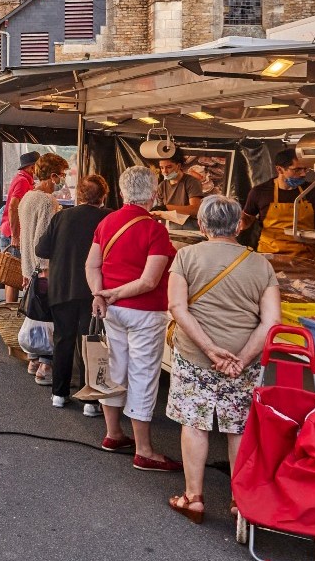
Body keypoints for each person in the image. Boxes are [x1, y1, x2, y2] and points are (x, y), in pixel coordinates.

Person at [165, 195, 281, 523]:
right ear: (239, 225)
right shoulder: (261, 264)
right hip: (242, 360)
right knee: (239, 427)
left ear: (202, 225)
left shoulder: (186, 256)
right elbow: (272, 322)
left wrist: (208, 348)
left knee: (195, 423)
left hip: (195, 356)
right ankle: (239, 500)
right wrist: (242, 358)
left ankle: (193, 498)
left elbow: (178, 307)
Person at [85, 164, 180, 472]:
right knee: (143, 374)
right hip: (145, 311)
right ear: (153, 195)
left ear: (123, 192)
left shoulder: (108, 221)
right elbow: (150, 281)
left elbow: (92, 266)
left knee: (114, 369)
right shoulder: (155, 229)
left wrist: (102, 294)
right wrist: (115, 294)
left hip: (111, 310)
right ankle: (144, 450)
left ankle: (113, 434)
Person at [37, 172, 111, 410]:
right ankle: (91, 400)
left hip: (61, 288)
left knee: (63, 340)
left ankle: (59, 394)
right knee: (92, 342)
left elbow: (42, 249)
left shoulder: (62, 217)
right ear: (104, 195)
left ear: (79, 194)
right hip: (94, 291)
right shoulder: (109, 218)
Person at [17, 152, 69, 382]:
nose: (63, 180)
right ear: (53, 175)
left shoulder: (28, 196)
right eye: (63, 175)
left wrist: (29, 269)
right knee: (48, 317)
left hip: (28, 266)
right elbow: (43, 240)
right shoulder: (48, 202)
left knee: (35, 314)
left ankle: (33, 360)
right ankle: (45, 367)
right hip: (43, 269)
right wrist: (46, 269)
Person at [243, 147, 315, 259]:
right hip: (269, 257)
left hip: (305, 258)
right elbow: (247, 218)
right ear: (279, 170)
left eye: (305, 169)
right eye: (297, 170)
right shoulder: (260, 192)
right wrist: (240, 222)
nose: (303, 174)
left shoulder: (313, 191)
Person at [0, 151, 40, 309]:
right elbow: (13, 208)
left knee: (12, 278)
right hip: (12, 233)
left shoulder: (25, 180)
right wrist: (15, 236)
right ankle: (10, 312)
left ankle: (10, 310)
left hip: (11, 231)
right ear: (31, 167)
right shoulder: (22, 181)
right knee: (14, 277)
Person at [152, 153, 206, 223]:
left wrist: (166, 207)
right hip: (169, 225)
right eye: (162, 168)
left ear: (178, 166)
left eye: (169, 167)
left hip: (190, 225)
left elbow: (195, 209)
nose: (165, 172)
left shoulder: (191, 182)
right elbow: (160, 212)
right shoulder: (162, 186)